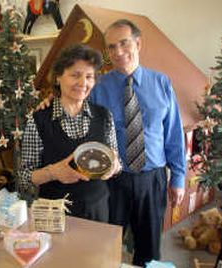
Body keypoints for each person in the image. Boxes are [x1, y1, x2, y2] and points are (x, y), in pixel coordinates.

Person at [89, 19, 186, 266]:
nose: (118, 52)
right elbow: (79, 118)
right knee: (106, 244)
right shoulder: (98, 87)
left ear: (138, 43)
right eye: (111, 47)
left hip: (151, 180)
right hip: (113, 181)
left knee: (150, 249)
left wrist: (178, 178)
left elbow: (173, 134)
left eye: (124, 43)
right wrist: (48, 103)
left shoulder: (162, 83)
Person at [18, 44, 121, 223]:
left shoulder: (104, 116)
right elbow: (24, 178)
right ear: (58, 77)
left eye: (89, 76)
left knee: (96, 252)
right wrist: (52, 172)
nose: (83, 83)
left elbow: (116, 162)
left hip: (98, 209)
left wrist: (115, 167)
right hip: (54, 213)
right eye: (75, 75)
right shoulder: (39, 120)